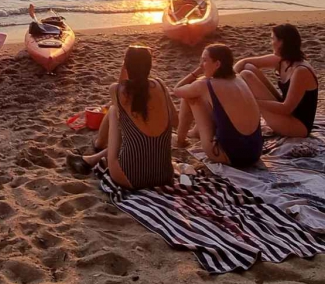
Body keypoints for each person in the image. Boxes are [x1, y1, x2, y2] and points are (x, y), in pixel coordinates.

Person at [78, 45, 174, 189]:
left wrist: (125, 65)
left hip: (128, 177)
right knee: (132, 128)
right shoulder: (160, 85)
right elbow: (176, 120)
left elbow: (121, 84)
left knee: (112, 111)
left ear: (127, 65)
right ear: (149, 65)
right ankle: (94, 155)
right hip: (165, 176)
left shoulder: (116, 90)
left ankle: (98, 145)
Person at [173, 44, 264, 168]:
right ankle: (193, 133)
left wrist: (195, 73)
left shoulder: (205, 84)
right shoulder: (239, 78)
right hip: (255, 152)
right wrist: (203, 69)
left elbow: (177, 90)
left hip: (230, 156)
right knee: (202, 97)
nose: (201, 65)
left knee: (189, 97)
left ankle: (180, 141)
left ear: (217, 64)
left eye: (204, 60)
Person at [235, 24, 319, 138]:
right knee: (248, 69)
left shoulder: (300, 71)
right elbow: (244, 62)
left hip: (298, 127)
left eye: (272, 39)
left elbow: (286, 108)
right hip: (285, 114)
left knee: (246, 74)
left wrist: (253, 102)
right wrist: (229, 79)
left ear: (281, 42)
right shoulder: (282, 60)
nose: (271, 43)